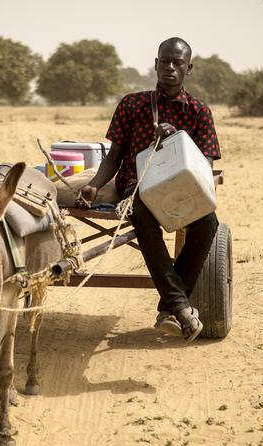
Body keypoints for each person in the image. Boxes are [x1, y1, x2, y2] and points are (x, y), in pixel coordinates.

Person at [78, 37, 221, 341]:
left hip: (183, 189)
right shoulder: (132, 104)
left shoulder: (199, 112)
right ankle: (179, 306)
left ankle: (171, 306)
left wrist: (177, 140)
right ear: (156, 64)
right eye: (165, 61)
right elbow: (113, 157)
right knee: (142, 215)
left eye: (177, 62)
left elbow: (204, 167)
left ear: (188, 68)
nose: (170, 67)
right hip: (137, 188)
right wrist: (93, 186)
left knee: (208, 223)